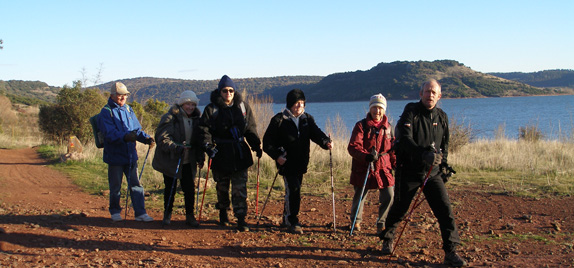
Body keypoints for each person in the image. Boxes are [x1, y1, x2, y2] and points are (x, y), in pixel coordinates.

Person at [378, 79, 467, 267]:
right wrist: (423, 154)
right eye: (427, 91)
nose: (430, 95)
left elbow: (445, 145)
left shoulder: (442, 116)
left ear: (439, 96)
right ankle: (388, 238)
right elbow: (403, 139)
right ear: (421, 94)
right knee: (400, 208)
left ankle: (451, 252)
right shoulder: (411, 111)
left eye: (434, 92)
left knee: (445, 211)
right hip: (409, 171)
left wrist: (444, 167)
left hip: (432, 174)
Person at [263, 89, 333, 234]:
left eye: (302, 103)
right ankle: (292, 220)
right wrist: (277, 156)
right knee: (294, 189)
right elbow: (267, 142)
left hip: (301, 163)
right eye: (296, 103)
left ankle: (286, 217)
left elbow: (316, 134)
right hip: (286, 162)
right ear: (290, 104)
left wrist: (326, 142)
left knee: (293, 191)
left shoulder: (307, 119)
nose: (299, 106)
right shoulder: (279, 120)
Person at [198, 75, 262, 232]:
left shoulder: (243, 107)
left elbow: (250, 129)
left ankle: (241, 219)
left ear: (234, 91)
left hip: (240, 153)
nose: (228, 93)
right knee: (222, 187)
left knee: (240, 188)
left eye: (231, 90)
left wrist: (256, 145)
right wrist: (208, 147)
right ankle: (223, 213)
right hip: (220, 153)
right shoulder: (211, 109)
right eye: (225, 90)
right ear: (220, 91)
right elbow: (204, 130)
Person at [98, 82, 155, 222]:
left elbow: (136, 130)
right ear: (112, 95)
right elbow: (109, 134)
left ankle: (140, 213)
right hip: (114, 156)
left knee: (136, 184)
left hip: (130, 155)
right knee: (116, 186)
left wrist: (146, 139)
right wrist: (125, 137)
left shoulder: (129, 110)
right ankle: (115, 212)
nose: (122, 97)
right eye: (119, 95)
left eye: (124, 95)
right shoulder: (106, 112)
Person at [152, 90, 205, 227]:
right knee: (170, 187)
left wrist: (200, 156)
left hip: (189, 160)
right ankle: (167, 214)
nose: (190, 107)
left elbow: (199, 140)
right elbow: (162, 138)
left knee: (189, 189)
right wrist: (177, 147)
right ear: (182, 104)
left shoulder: (196, 120)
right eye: (188, 104)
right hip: (172, 159)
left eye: (193, 104)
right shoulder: (170, 118)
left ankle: (190, 216)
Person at [347, 94, 396, 234]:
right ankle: (355, 222)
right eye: (374, 107)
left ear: (384, 110)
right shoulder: (361, 125)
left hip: (383, 167)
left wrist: (396, 164)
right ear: (370, 108)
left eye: (380, 108)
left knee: (389, 195)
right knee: (360, 195)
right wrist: (366, 156)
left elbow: (393, 150)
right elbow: (353, 146)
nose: (377, 111)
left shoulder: (389, 128)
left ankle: (382, 223)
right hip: (363, 165)